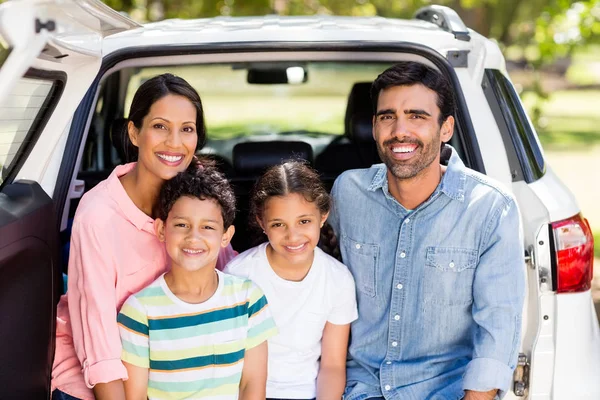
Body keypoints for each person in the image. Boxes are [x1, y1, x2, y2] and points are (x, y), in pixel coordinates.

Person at [328, 62, 525, 400]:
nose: (400, 131)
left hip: (445, 391)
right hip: (359, 389)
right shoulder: (347, 192)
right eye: (387, 117)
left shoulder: (490, 208)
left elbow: (498, 327)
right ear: (374, 127)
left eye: (417, 116)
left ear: (445, 128)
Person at [51, 73, 237, 400]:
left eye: (187, 129)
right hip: (98, 372)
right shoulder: (99, 214)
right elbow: (98, 340)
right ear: (135, 132)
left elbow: (226, 270)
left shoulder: (200, 188)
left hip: (173, 365)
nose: (174, 143)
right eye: (160, 126)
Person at [118, 160, 277, 399]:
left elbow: (252, 386)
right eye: (182, 225)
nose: (194, 237)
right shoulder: (140, 311)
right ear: (161, 230)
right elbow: (136, 396)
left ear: (226, 236)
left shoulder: (248, 299)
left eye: (208, 227)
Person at [225, 161, 358, 400]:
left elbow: (332, 366)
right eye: (278, 224)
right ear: (261, 222)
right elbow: (231, 359)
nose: (293, 236)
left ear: (323, 216)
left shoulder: (338, 279)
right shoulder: (240, 274)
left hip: (308, 393)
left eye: (304, 221)